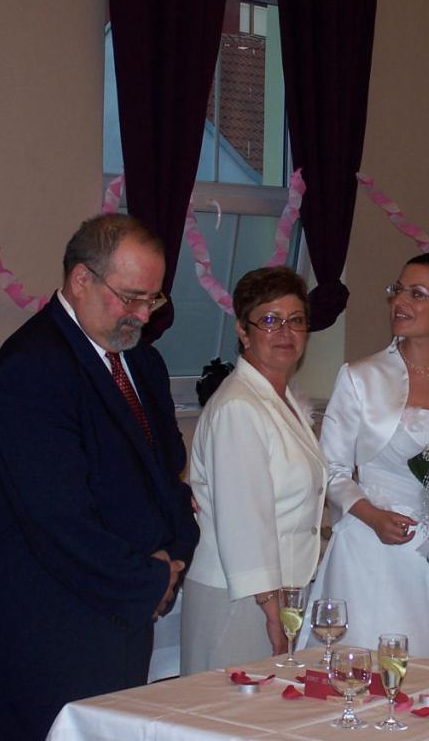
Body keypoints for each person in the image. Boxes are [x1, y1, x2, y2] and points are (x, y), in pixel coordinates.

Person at [0, 214, 199, 741]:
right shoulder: (33, 367)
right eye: (131, 297)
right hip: (40, 641)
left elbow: (167, 481)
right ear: (81, 279)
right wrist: (149, 579)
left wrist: (174, 557)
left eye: (153, 299)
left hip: (115, 627)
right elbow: (57, 519)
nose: (143, 315)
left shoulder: (143, 364)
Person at [298, 249, 429, 660]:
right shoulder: (361, 377)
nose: (400, 302)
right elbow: (331, 469)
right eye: (398, 290)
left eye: (418, 294)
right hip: (373, 550)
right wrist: (372, 515)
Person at [182, 266, 327, 673]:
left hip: (278, 592)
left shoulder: (280, 399)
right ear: (243, 332)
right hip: (242, 595)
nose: (285, 332)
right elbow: (244, 519)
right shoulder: (238, 407)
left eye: (295, 320)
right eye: (270, 320)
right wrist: (272, 609)